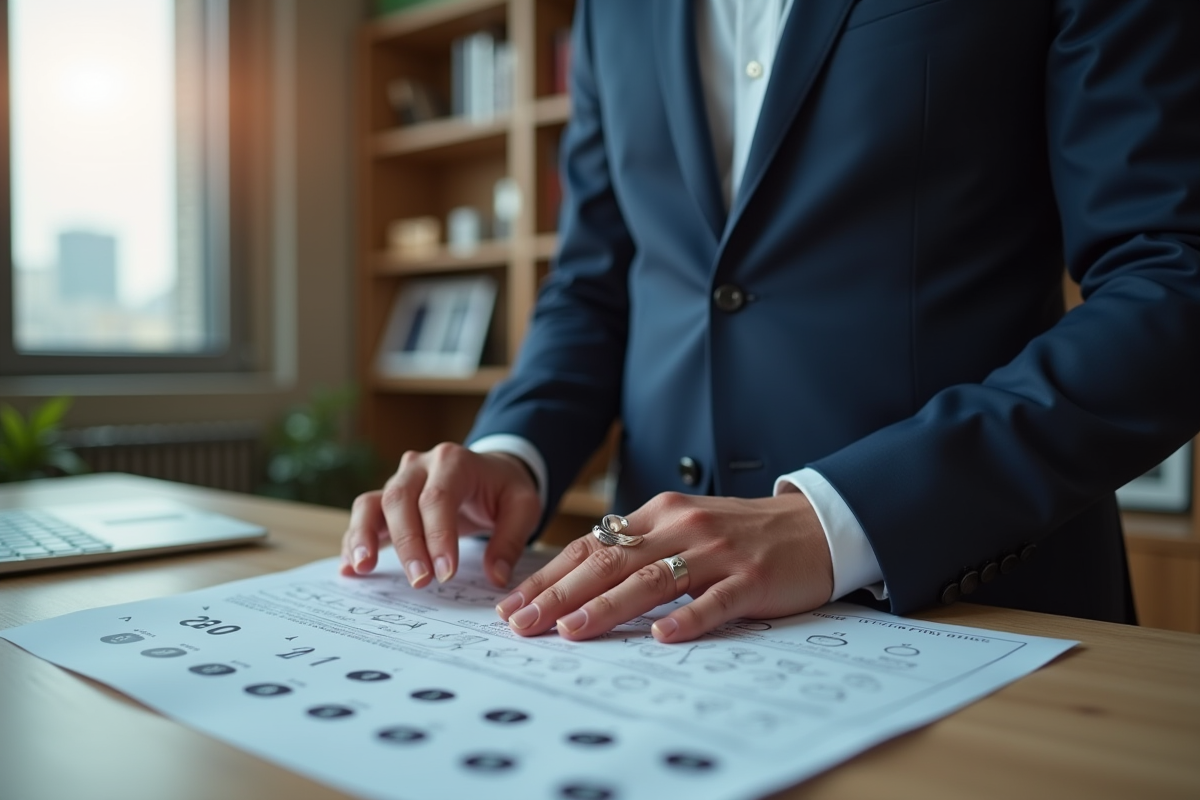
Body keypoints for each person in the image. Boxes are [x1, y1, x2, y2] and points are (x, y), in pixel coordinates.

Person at [342, 0, 1200, 643]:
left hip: (976, 609)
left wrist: (837, 519)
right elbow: (596, 283)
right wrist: (513, 449)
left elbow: (1174, 277)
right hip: (654, 626)